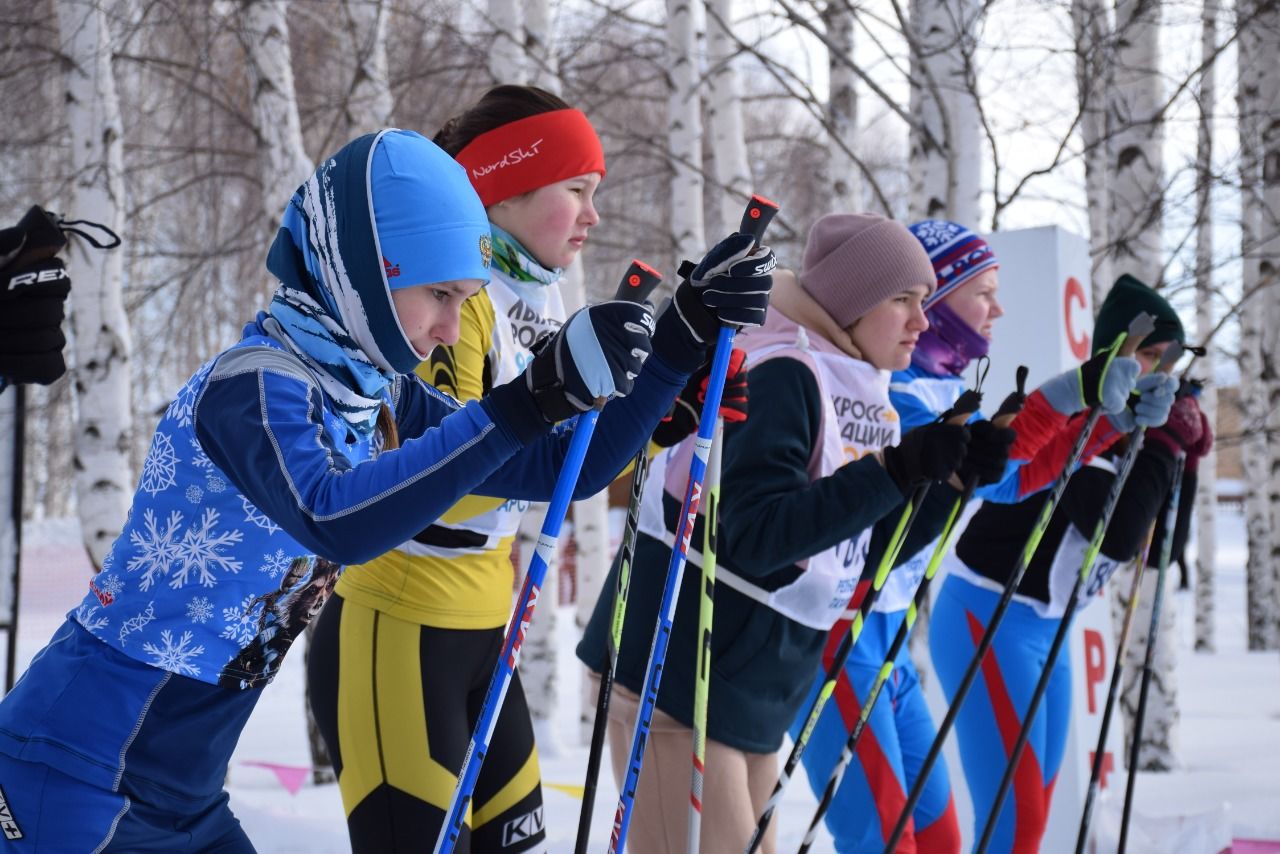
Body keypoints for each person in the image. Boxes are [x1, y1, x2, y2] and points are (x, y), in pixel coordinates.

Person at [0, 129, 770, 850]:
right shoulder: (255, 388)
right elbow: (335, 516)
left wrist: (678, 340)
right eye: (439, 295)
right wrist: (522, 401)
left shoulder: (371, 394)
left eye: (467, 302)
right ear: (370, 269)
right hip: (78, 764)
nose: (447, 328)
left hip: (179, 789)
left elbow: (557, 468)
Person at [304, 87, 770, 853]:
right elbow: (466, 466)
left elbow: (563, 461)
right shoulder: (452, 299)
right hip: (400, 626)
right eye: (576, 191)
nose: (592, 214)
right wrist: (672, 349)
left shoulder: (539, 292)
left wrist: (661, 417)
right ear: (503, 187)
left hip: (485, 626)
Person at [578, 213, 988, 854]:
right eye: (902, 300)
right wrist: (893, 471)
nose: (922, 321)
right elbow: (754, 535)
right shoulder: (787, 372)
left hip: (749, 691)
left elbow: (855, 557)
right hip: (679, 677)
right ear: (851, 304)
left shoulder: (857, 386)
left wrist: (943, 490)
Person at [929, 273, 1183, 854]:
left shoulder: (1128, 427)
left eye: (1170, 360)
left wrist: (1174, 455)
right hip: (989, 619)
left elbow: (1168, 544)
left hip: (1049, 627)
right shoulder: (1084, 416)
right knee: (1013, 821)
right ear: (1113, 349)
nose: (1158, 373)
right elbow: (1117, 535)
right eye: (1148, 354)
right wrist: (1161, 449)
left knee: (1034, 818)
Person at [795, 220, 1016, 852]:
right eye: (984, 291)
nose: (998, 308)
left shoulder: (935, 389)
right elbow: (1007, 483)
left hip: (888, 637)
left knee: (938, 835)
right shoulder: (897, 396)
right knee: (884, 837)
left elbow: (1006, 481)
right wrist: (1070, 410)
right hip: (839, 635)